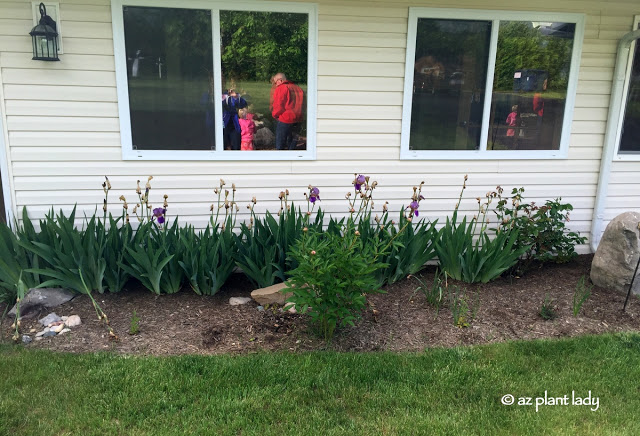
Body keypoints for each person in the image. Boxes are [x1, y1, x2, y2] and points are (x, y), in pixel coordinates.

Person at [270, 73, 304, 150]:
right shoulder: (298, 88)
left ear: (280, 80)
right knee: (292, 143)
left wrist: (275, 115)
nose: (275, 85)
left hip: (285, 119)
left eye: (275, 82)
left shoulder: (282, 88)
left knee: (280, 144)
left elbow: (279, 105)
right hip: (298, 119)